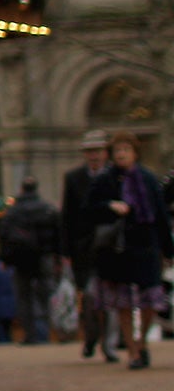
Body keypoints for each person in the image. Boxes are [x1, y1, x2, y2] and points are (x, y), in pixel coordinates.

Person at [87, 131, 172, 370]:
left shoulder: (147, 178)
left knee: (149, 302)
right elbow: (89, 209)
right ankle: (133, 351)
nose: (121, 154)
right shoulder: (106, 179)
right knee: (123, 303)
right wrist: (110, 206)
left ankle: (141, 341)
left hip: (146, 246)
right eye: (117, 151)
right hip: (118, 248)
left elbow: (160, 215)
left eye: (126, 150)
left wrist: (168, 249)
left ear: (135, 153)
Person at [62, 131, 118, 361]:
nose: (94, 156)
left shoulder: (117, 176)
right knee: (89, 296)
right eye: (90, 152)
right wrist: (65, 251)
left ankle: (110, 344)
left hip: (110, 244)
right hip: (83, 247)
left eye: (98, 151)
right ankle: (92, 336)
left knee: (111, 296)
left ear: (106, 153)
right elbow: (67, 216)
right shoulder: (74, 178)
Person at [0, 178, 63, 344]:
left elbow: (4, 235)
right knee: (46, 294)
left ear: (21, 189)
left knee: (23, 296)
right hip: (44, 256)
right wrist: (58, 256)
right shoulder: (47, 208)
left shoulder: (13, 211)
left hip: (21, 259)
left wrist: (4, 258)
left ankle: (30, 334)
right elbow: (59, 234)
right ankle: (48, 332)